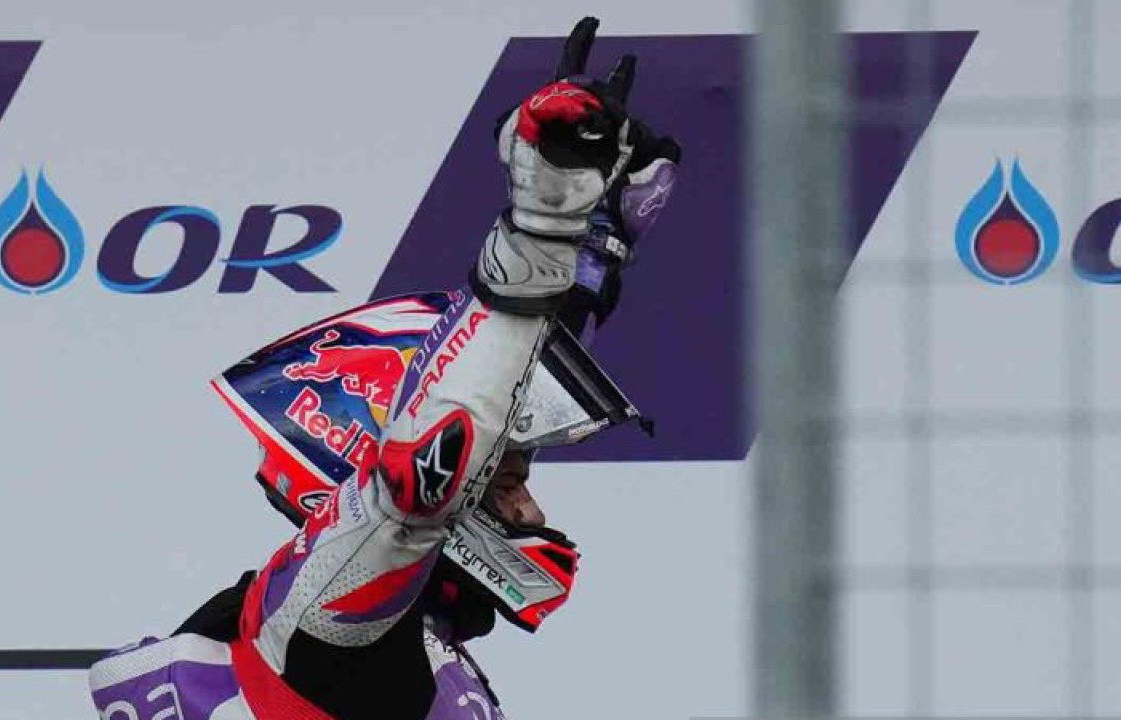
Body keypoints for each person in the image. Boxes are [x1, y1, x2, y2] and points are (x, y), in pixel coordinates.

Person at [88, 17, 680, 720]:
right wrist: (540, 231)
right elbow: (421, 478)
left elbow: (495, 392)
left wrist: (587, 246)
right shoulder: (330, 624)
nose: (534, 513)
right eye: (512, 481)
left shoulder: (373, 633)